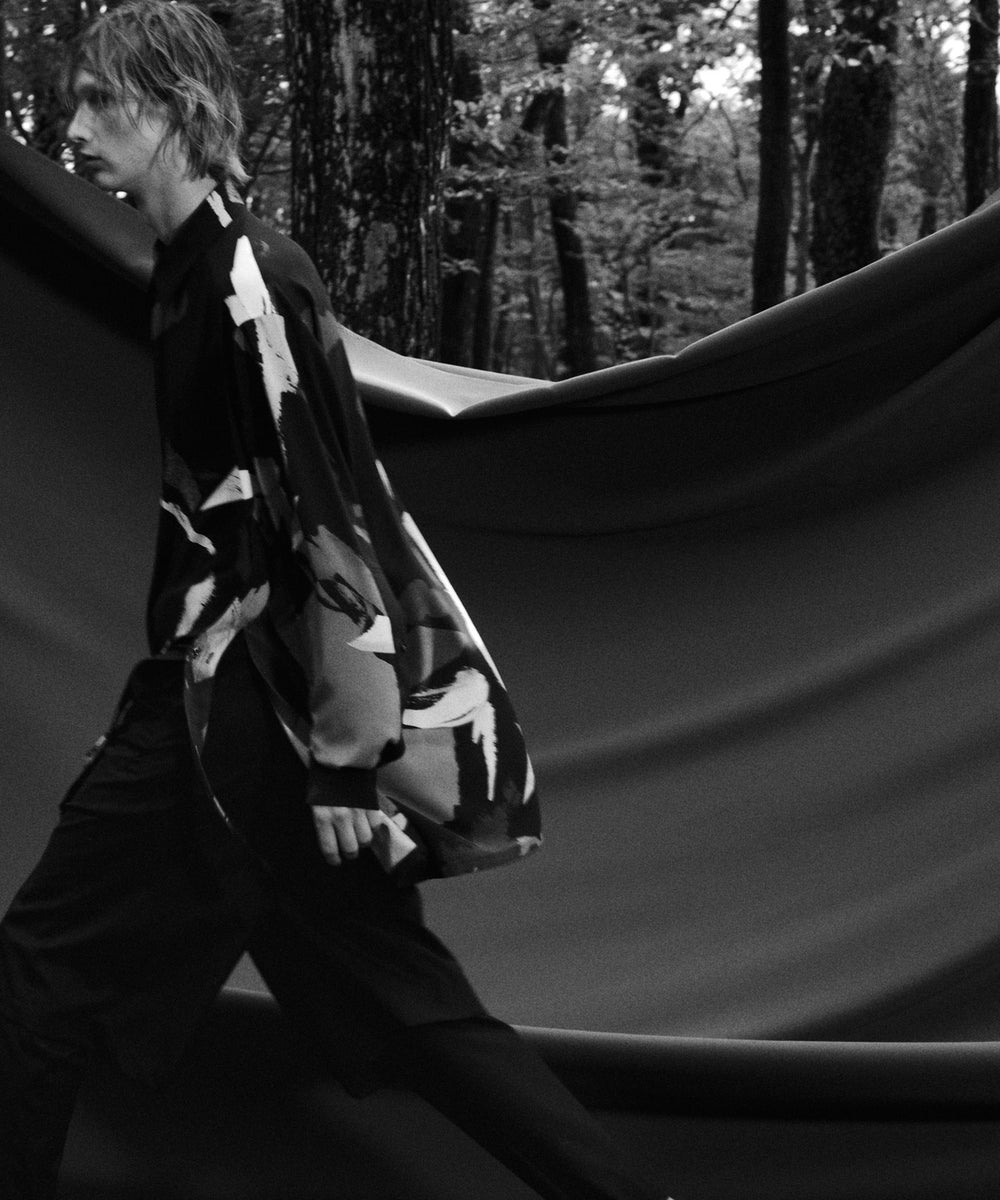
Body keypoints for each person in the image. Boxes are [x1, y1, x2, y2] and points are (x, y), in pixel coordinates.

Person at [0, 4, 670, 1199]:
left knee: (40, 971)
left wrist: (351, 757)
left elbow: (327, 516)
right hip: (236, 699)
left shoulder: (248, 278)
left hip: (258, 715)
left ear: (178, 107)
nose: (77, 130)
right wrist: (157, 696)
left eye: (101, 100)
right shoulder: (188, 270)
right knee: (404, 998)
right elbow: (220, 523)